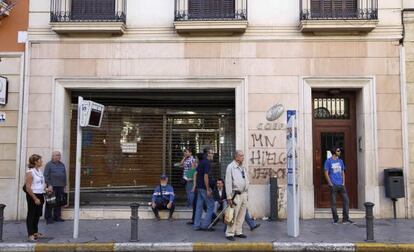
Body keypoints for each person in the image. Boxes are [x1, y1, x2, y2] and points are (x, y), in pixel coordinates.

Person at [324, 146, 353, 225]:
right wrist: (330, 183)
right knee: (333, 203)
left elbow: (343, 172)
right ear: (334, 152)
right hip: (333, 185)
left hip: (341, 185)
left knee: (346, 201)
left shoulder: (340, 161)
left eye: (339, 151)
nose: (339, 152)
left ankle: (345, 219)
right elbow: (326, 173)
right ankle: (335, 219)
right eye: (338, 151)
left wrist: (343, 182)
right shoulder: (328, 161)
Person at [225, 150, 249, 241]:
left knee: (241, 215)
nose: (243, 157)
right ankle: (229, 233)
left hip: (244, 194)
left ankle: (238, 231)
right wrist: (229, 197)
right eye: (241, 156)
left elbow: (245, 179)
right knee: (233, 214)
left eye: (243, 155)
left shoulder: (242, 167)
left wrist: (247, 193)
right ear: (236, 157)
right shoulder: (230, 167)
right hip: (235, 195)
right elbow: (228, 183)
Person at [24, 154, 48, 242]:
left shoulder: (39, 170)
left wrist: (46, 189)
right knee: (31, 215)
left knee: (37, 214)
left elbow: (40, 184)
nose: (41, 161)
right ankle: (30, 234)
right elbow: (28, 188)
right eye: (40, 160)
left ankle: (35, 232)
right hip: (33, 196)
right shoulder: (30, 172)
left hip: (41, 194)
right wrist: (35, 198)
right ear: (35, 162)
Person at [193, 147, 215, 231]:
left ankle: (196, 225)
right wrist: (208, 189)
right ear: (207, 154)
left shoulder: (201, 162)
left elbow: (196, 173)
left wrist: (195, 185)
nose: (213, 154)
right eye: (211, 153)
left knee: (199, 206)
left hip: (199, 187)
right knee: (211, 205)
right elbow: (206, 176)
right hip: (203, 188)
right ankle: (205, 225)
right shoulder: (207, 163)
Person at [43, 151, 67, 224]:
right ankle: (49, 218)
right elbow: (45, 176)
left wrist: (65, 184)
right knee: (50, 203)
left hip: (60, 186)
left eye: (59, 155)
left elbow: (64, 175)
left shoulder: (62, 164)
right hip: (51, 187)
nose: (58, 156)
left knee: (59, 202)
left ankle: (57, 217)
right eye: (57, 155)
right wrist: (49, 184)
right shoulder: (48, 165)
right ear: (52, 156)